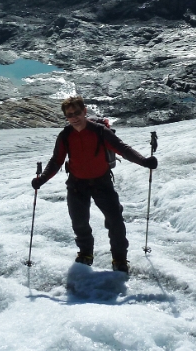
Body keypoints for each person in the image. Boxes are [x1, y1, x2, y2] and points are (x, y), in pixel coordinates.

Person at [31, 96, 157, 274]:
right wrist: (42, 179)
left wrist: (144, 162)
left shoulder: (99, 131)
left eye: (76, 113)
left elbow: (123, 149)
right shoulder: (66, 135)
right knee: (79, 222)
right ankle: (85, 254)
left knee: (115, 221)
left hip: (101, 183)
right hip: (76, 184)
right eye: (69, 115)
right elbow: (56, 160)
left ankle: (119, 259)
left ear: (84, 111)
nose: (74, 117)